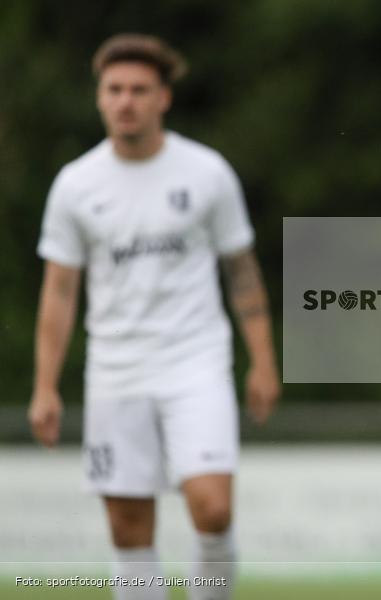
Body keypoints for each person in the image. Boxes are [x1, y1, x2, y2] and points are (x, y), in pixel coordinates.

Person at [28, 33, 281, 600]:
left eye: (139, 90)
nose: (126, 101)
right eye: (114, 89)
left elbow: (242, 272)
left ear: (163, 98)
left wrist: (263, 360)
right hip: (116, 371)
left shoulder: (206, 173)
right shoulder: (75, 184)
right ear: (99, 97)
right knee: (127, 527)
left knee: (212, 508)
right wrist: (45, 386)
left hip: (195, 361)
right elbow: (60, 292)